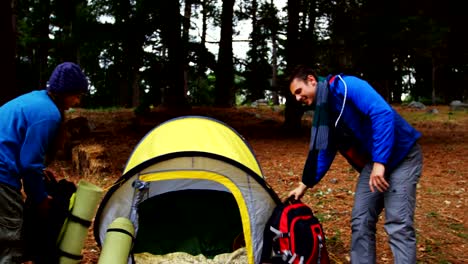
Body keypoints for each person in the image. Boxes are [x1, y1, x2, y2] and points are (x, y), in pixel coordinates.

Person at [287, 65, 423, 263]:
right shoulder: (325, 110)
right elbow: (325, 149)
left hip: (402, 155)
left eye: (299, 91)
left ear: (312, 80)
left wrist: (379, 162)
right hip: (376, 161)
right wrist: (304, 184)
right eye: (295, 96)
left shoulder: (347, 85)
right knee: (361, 220)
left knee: (398, 224)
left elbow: (382, 113)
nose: (298, 98)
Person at [0, 62, 88, 263]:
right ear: (64, 92)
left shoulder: (36, 99)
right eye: (76, 95)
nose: (77, 101)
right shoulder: (49, 114)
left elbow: (23, 148)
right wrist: (40, 198)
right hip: (2, 176)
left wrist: (40, 174)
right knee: (9, 242)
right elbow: (29, 164)